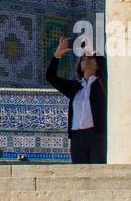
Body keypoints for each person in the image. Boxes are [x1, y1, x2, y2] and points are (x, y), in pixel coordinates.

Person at [45, 36, 107, 165]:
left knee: (97, 171)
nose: (85, 59)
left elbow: (106, 68)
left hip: (96, 136)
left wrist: (93, 50)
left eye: (89, 57)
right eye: (83, 58)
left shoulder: (102, 85)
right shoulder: (75, 88)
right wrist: (57, 55)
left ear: (97, 66)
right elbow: (51, 77)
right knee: (80, 172)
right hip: (77, 137)